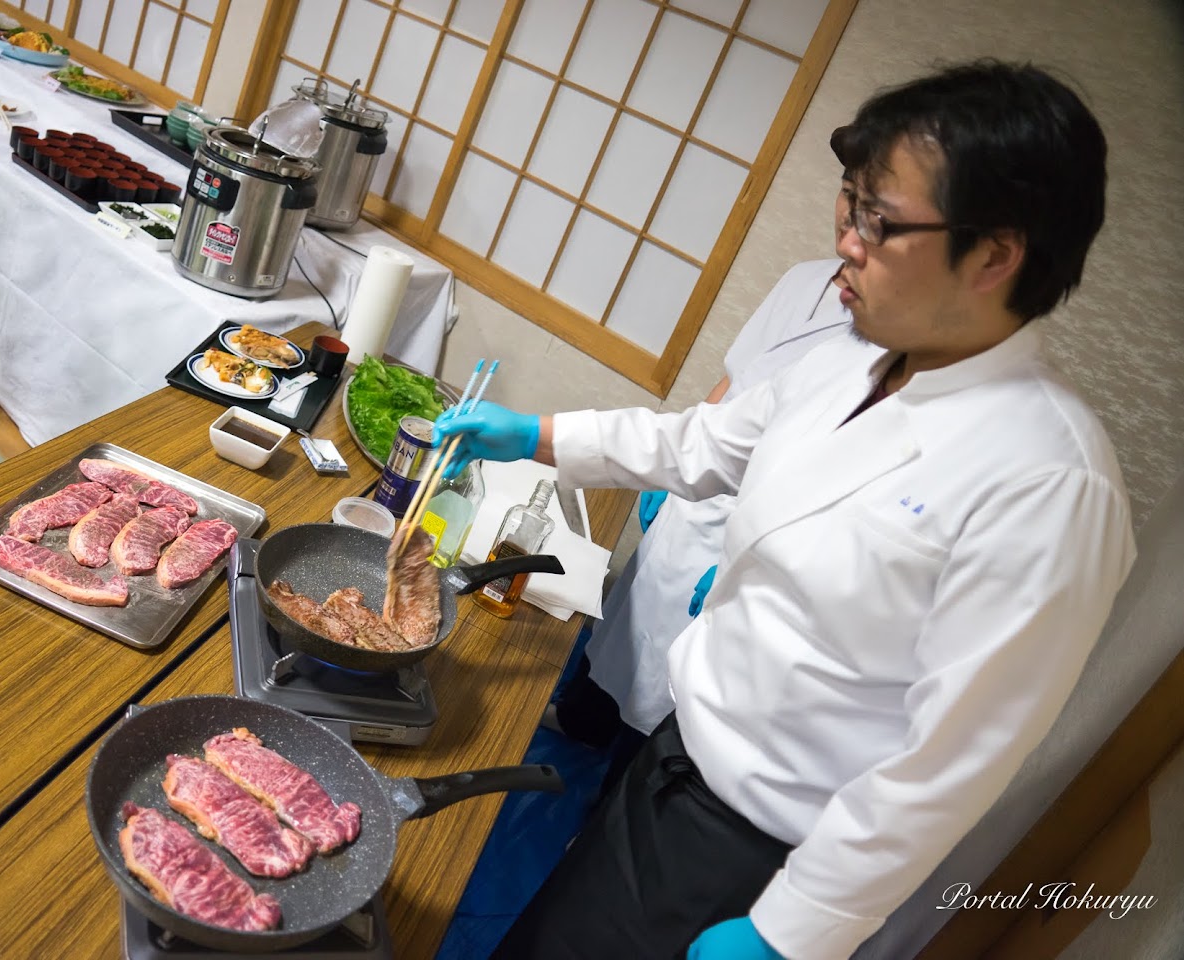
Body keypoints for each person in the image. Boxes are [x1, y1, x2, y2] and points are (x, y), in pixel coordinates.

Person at [436, 60, 1136, 960]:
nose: (847, 241)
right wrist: (533, 432)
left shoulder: (1049, 483)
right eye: (852, 205)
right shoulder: (855, 361)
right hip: (677, 760)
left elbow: (946, 764)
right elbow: (700, 443)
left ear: (995, 255)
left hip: (762, 852)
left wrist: (788, 932)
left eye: (880, 222)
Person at [553, 259, 852, 771]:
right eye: (849, 196)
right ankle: (582, 721)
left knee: (676, 688)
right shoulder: (804, 276)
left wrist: (768, 559)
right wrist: (668, 470)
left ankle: (614, 804)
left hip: (757, 515)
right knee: (630, 620)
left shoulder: (892, 340)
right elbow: (733, 385)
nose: (851, 229)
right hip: (700, 479)